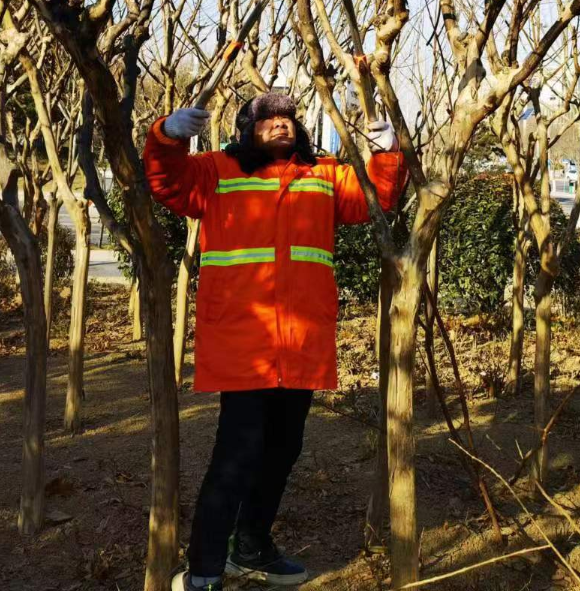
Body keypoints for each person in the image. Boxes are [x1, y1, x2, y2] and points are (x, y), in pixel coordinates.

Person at [145, 91, 405, 591]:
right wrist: (167, 136)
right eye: (268, 120)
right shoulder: (215, 171)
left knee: (284, 449)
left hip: (301, 342)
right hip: (243, 343)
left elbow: (379, 194)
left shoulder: (324, 175)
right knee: (236, 454)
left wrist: (386, 148)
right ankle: (203, 571)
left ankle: (252, 547)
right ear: (247, 130)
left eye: (287, 119)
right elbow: (165, 182)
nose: (280, 126)